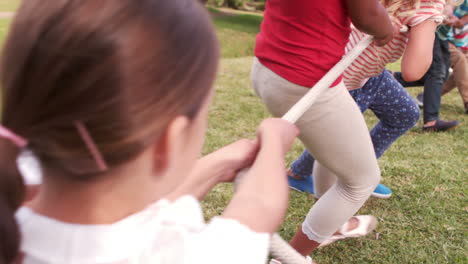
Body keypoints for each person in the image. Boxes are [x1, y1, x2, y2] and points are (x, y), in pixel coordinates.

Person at [0, 0, 300, 263]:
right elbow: (259, 209)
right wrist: (273, 140)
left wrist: (216, 166)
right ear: (168, 142)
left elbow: (138, 215)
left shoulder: (14, 208)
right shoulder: (189, 254)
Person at [251, 0, 394, 260]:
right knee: (361, 181)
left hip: (268, 66)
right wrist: (386, 29)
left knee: (332, 153)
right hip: (305, 78)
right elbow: (368, 15)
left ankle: (332, 221)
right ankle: (290, 257)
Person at [289, 0, 446, 202]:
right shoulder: (427, 4)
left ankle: (352, 171)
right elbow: (413, 71)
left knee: (405, 113)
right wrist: (430, 23)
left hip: (369, 73)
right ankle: (305, 175)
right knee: (335, 139)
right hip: (344, 79)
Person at [394, 1, 464, 131]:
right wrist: (445, 15)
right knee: (437, 73)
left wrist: (448, 16)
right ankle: (431, 121)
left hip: (442, 34)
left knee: (438, 76)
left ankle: (392, 78)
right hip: (431, 29)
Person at [412, 0, 468, 114]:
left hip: (455, 40)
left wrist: (456, 21)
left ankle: (425, 96)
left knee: (450, 73)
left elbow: (461, 22)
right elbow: (448, 7)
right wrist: (448, 17)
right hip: (440, 35)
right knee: (456, 63)